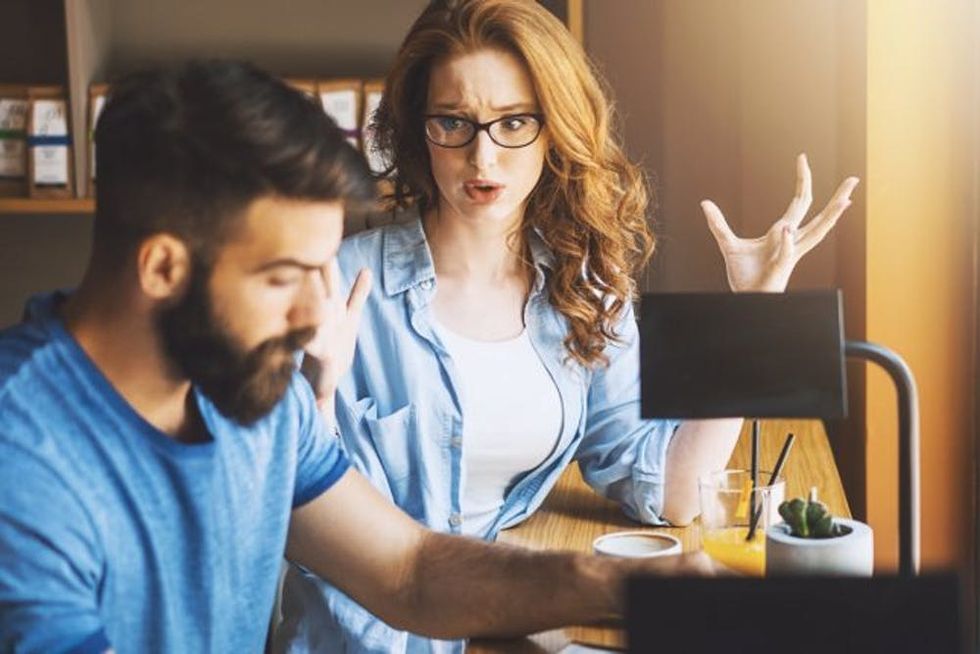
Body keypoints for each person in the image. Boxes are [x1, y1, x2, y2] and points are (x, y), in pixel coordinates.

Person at [0, 60, 723, 654]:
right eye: (285, 277)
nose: (319, 315)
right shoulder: (24, 462)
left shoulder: (249, 385)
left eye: (327, 269)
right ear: (162, 268)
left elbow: (406, 571)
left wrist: (607, 584)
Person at [277, 0, 860, 652]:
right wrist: (317, 394)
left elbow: (668, 493)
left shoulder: (584, 291)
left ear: (555, 129)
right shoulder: (334, 284)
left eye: (514, 122)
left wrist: (752, 314)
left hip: (497, 625)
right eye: (454, 122)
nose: (483, 155)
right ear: (419, 129)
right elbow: (303, 499)